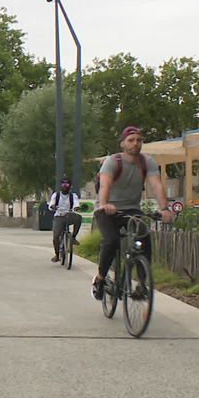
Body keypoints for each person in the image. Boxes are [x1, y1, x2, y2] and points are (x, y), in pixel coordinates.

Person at [90, 126, 175, 299]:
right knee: (111, 241)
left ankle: (142, 285)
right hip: (107, 209)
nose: (135, 143)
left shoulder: (147, 162)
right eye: (131, 140)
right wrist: (105, 204)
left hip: (132, 209)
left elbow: (156, 185)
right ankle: (100, 278)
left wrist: (165, 208)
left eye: (139, 140)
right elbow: (105, 185)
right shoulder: (113, 161)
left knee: (144, 237)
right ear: (122, 144)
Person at [48, 175, 82, 262]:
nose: (65, 186)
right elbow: (51, 204)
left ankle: (73, 237)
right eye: (63, 184)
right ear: (61, 185)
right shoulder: (56, 195)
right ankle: (57, 255)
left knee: (78, 218)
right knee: (56, 236)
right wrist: (53, 206)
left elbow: (76, 203)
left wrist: (76, 208)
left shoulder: (73, 196)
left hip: (69, 215)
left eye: (67, 184)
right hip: (59, 216)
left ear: (70, 186)